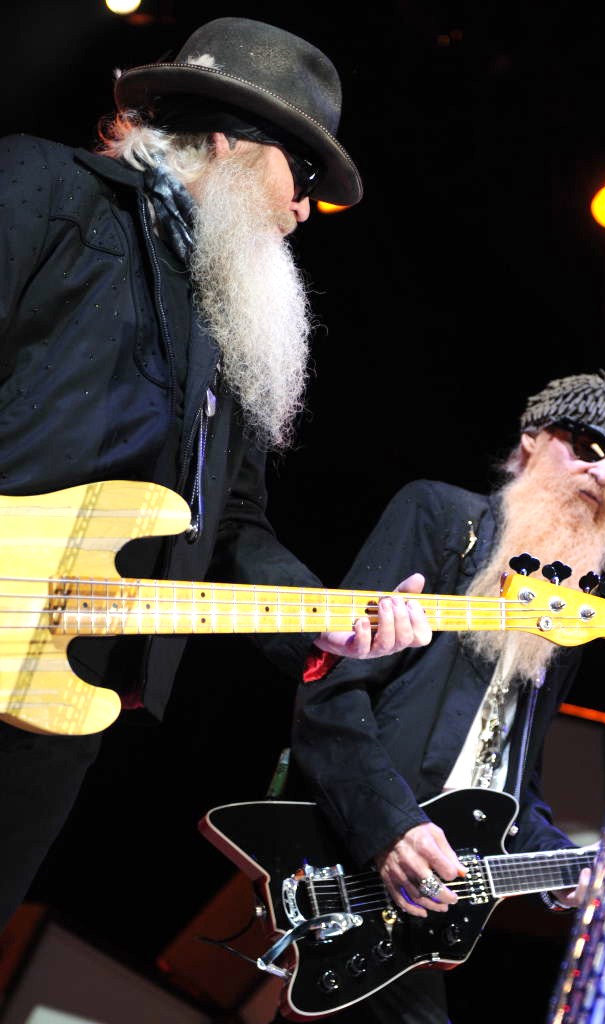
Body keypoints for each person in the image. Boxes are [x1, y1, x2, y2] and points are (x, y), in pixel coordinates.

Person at [0, 18, 432, 931]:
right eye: (303, 173)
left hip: (57, 693)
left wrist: (326, 618)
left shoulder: (226, 328)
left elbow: (230, 525)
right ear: (230, 140)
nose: (306, 209)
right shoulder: (46, 188)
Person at [286, 370, 605, 1023]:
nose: (603, 474)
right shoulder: (440, 514)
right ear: (531, 440)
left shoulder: (574, 614)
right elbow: (331, 689)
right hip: (350, 857)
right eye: (588, 445)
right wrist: (390, 828)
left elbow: (513, 787)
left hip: (429, 903)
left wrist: (566, 869)